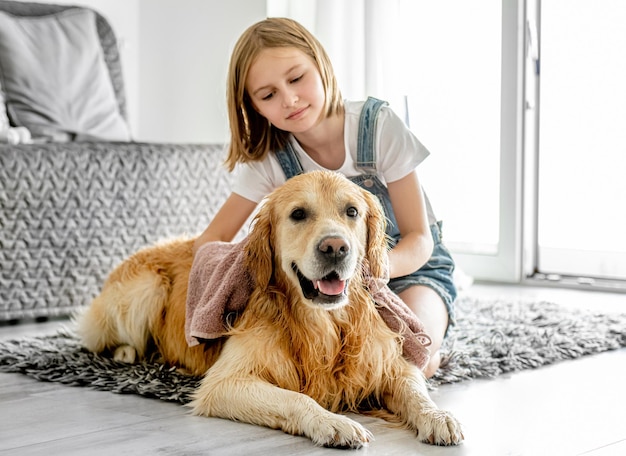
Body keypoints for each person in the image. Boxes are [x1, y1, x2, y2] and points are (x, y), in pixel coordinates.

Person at [193, 17, 456, 378]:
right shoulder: (270, 159)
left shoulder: (378, 127)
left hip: (406, 270)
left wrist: (371, 272)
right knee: (320, 367)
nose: (290, 99)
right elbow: (212, 240)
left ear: (321, 64)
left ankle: (436, 333)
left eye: (297, 78)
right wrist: (241, 274)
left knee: (412, 359)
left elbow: (420, 239)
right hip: (321, 280)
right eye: (268, 95)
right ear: (253, 107)